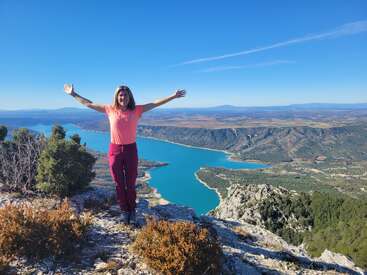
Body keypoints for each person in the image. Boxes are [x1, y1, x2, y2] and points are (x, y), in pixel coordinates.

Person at [64, 84, 186, 225]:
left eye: (126, 95)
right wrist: (73, 94)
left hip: (130, 150)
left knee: (130, 183)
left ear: (129, 97)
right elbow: (89, 103)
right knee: (119, 183)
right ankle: (124, 211)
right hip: (114, 150)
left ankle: (132, 210)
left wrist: (173, 96)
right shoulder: (110, 109)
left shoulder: (136, 110)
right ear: (117, 97)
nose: (123, 97)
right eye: (121, 95)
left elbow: (155, 103)